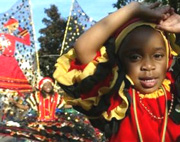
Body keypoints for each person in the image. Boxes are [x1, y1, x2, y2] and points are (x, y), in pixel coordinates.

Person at [53, 2, 180, 142]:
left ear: (168, 57)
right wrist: (133, 9)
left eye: (158, 56)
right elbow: (83, 49)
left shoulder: (175, 91)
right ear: (119, 60)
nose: (148, 66)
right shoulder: (117, 98)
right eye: (135, 57)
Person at [0, 18, 32, 94]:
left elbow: (27, 42)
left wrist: (21, 29)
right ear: (8, 26)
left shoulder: (13, 37)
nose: (14, 28)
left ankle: (19, 95)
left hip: (11, 59)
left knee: (17, 78)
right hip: (3, 59)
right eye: (13, 26)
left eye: (16, 27)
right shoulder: (2, 35)